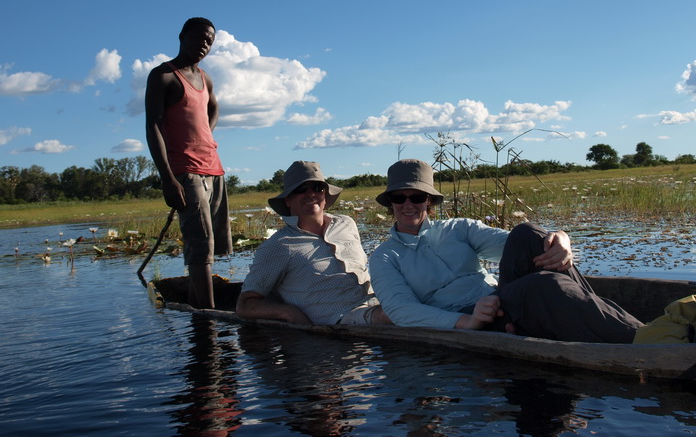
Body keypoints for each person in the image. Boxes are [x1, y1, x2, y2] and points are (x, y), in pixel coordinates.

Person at [368, 159, 643, 343]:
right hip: (469, 317)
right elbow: (402, 311)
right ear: (389, 203)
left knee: (527, 233)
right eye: (399, 197)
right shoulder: (384, 257)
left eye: (416, 197)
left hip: (498, 297)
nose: (408, 204)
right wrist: (468, 321)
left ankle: (614, 322)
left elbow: (521, 246)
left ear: (429, 201)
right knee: (542, 285)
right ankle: (645, 339)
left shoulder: (458, 228)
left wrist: (562, 238)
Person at [236, 161, 392, 326]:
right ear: (288, 200)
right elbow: (245, 305)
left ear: (325, 196)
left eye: (317, 188)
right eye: (301, 189)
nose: (311, 194)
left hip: (379, 302)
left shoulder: (346, 223)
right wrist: (288, 312)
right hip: (342, 317)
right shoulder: (279, 245)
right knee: (397, 315)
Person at [145, 17, 232, 309]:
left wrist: (206, 132)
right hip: (186, 171)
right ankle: (209, 317)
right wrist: (167, 178)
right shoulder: (164, 76)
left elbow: (214, 106)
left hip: (214, 169)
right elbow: (153, 125)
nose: (204, 45)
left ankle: (198, 311)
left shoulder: (205, 78)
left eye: (209, 41)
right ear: (182, 37)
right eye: (199, 38)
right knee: (200, 246)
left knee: (212, 245)